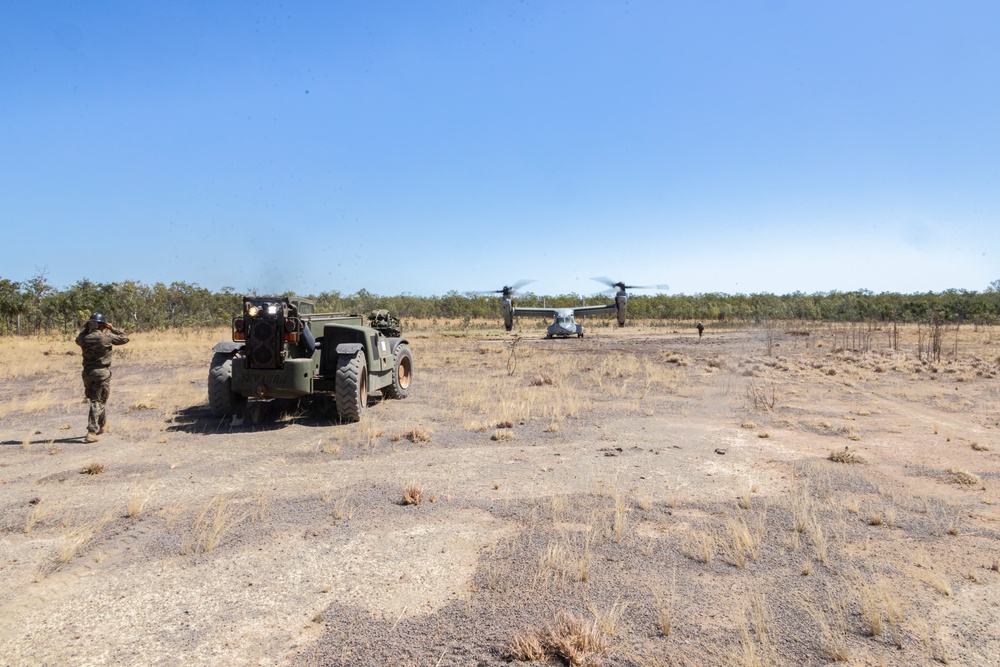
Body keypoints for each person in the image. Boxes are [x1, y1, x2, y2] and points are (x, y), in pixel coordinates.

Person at [75, 312, 129, 442]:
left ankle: (103, 424)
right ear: (103, 325)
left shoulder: (84, 338)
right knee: (98, 401)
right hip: (102, 373)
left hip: (87, 373)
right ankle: (91, 431)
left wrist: (86, 329)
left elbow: (78, 338)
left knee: (95, 399)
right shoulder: (107, 337)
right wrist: (112, 328)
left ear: (90, 325)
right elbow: (125, 338)